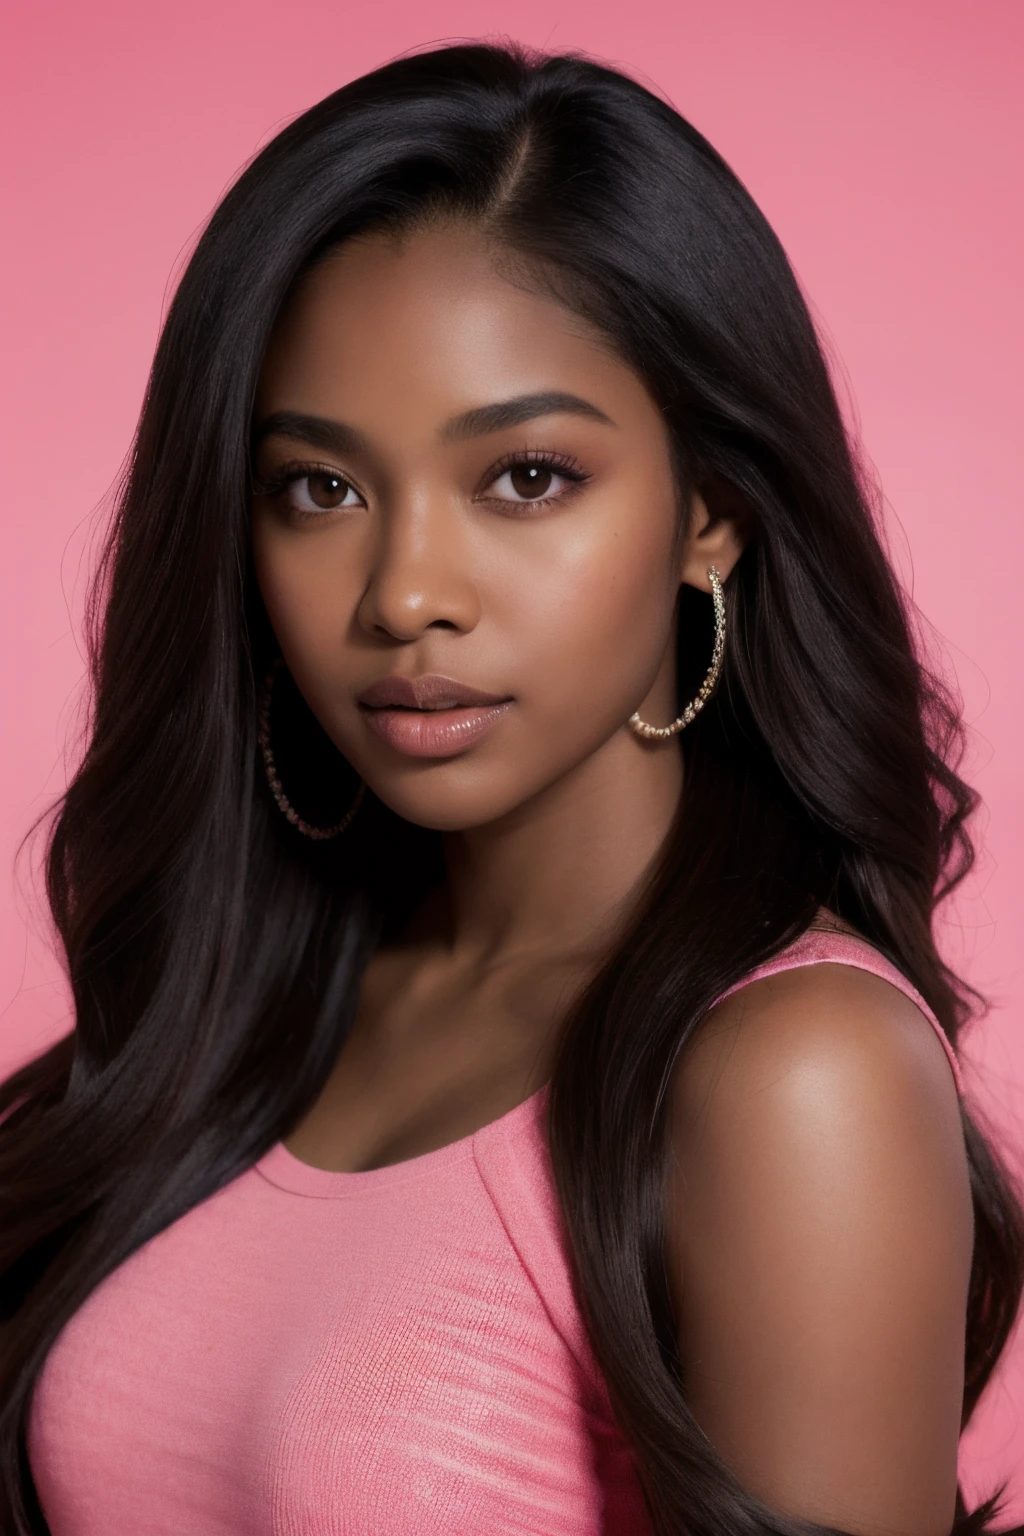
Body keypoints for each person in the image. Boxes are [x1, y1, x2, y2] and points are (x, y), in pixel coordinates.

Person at [0, 39, 1020, 1536]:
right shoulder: (261, 1005)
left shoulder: (794, 1073)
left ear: (711, 518)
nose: (406, 591)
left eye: (527, 477)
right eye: (320, 488)